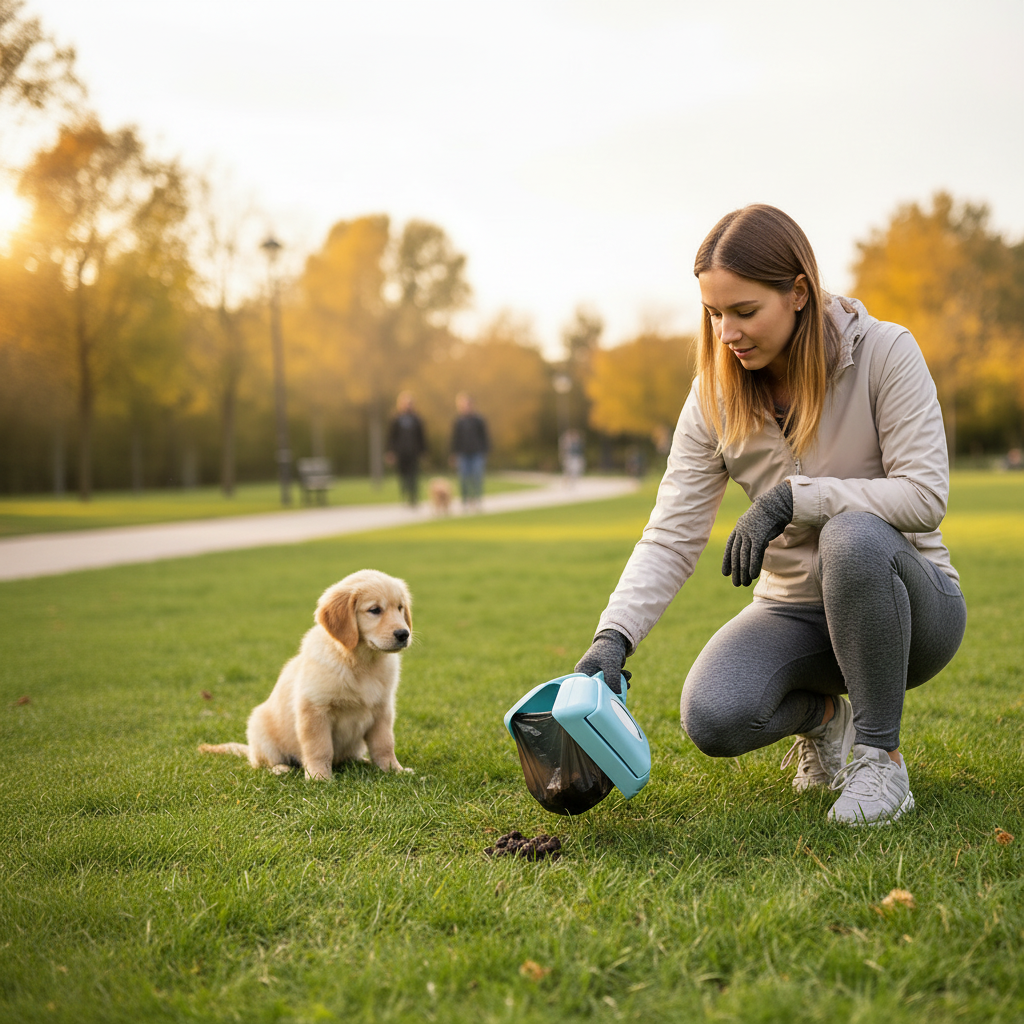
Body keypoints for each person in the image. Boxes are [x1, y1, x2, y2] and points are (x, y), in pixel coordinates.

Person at [574, 205, 966, 826]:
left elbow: (924, 496)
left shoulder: (887, 353)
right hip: (795, 612)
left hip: (913, 609)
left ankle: (880, 758)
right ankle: (826, 721)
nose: (727, 332)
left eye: (744, 311)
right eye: (713, 314)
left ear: (800, 293)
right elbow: (673, 533)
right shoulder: (713, 394)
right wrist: (612, 637)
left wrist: (794, 498)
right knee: (713, 714)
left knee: (852, 536)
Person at [386, 391, 428, 508]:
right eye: (405, 403)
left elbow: (422, 437)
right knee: (403, 476)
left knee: (413, 476)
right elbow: (391, 437)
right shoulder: (396, 419)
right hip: (401, 453)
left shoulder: (417, 419)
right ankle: (404, 496)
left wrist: (424, 452)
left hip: (414, 452)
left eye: (410, 403)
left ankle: (413, 498)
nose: (407, 405)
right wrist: (390, 452)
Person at [450, 392, 490, 510]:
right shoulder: (458, 421)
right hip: (462, 453)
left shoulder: (479, 420)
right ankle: (465, 501)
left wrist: (485, 451)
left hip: (477, 452)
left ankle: (477, 500)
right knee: (463, 477)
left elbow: (485, 437)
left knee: (477, 476)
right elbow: (454, 439)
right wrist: (453, 454)